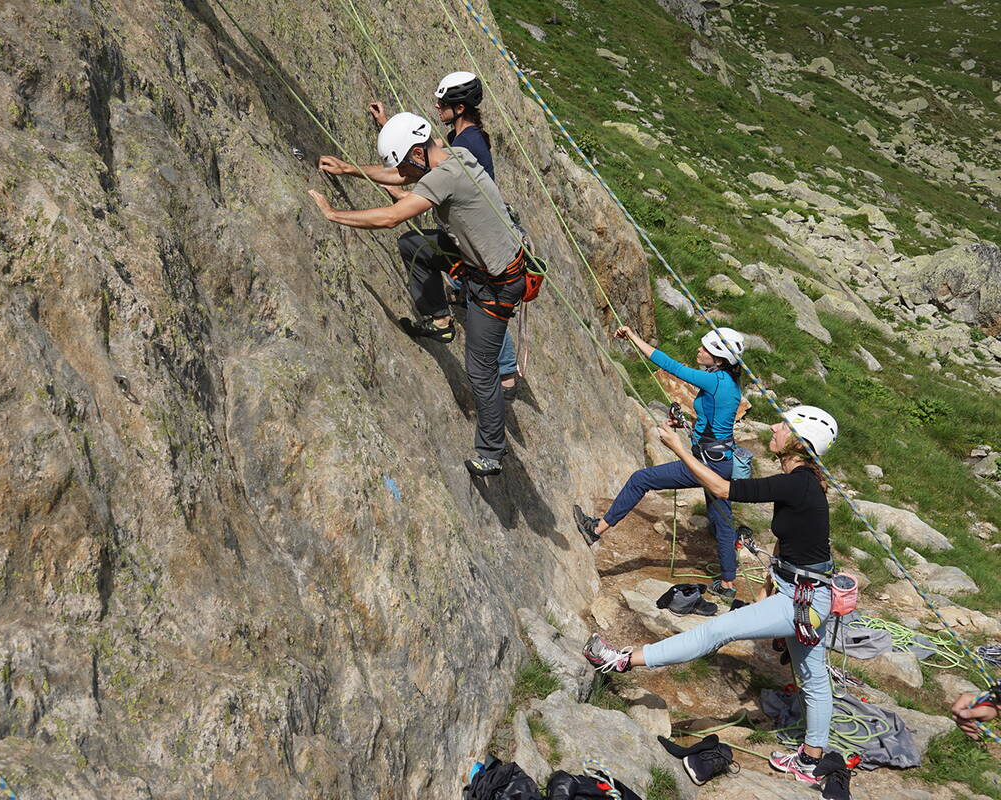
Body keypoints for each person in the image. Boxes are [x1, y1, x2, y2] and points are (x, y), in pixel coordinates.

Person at [581, 405, 841, 784]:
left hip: (803, 599)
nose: (773, 426)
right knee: (813, 677)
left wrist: (680, 449)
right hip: (802, 591)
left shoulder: (798, 482)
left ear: (799, 442)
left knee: (720, 631)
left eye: (782, 425)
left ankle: (621, 660)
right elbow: (795, 538)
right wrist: (771, 583)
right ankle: (811, 760)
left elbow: (721, 488)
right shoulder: (800, 482)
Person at [308, 112, 529, 477]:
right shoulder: (451, 155)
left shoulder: (448, 176)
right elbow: (401, 175)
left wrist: (334, 214)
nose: (406, 176)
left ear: (416, 153)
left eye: (407, 166)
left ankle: (492, 452)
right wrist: (349, 169)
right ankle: (440, 319)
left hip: (498, 285)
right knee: (416, 245)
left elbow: (391, 217)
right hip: (477, 261)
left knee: (479, 368)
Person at [321, 72, 522, 398]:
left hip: (476, 239)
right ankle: (483, 354)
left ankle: (505, 374)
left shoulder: (467, 144)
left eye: (443, 102)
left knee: (480, 299)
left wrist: (334, 213)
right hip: (472, 234)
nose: (437, 105)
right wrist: (388, 129)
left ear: (459, 108)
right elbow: (420, 156)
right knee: (465, 286)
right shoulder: (463, 138)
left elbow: (413, 188)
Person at [572, 325, 746, 598]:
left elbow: (670, 366)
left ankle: (596, 529)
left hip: (707, 462)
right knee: (721, 520)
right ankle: (727, 585)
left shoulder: (715, 381)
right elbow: (715, 422)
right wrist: (686, 423)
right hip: (720, 459)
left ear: (720, 360)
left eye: (706, 349)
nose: (699, 350)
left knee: (641, 479)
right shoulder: (727, 383)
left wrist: (632, 337)